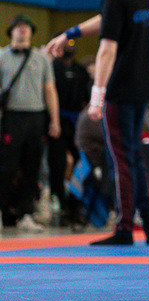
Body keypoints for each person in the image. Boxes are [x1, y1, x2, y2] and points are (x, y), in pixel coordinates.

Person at [46, 0, 149, 246]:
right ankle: (148, 224)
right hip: (141, 87)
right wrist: (69, 33)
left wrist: (96, 98)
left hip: (120, 91)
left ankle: (124, 227)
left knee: (121, 158)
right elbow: (108, 21)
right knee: (135, 156)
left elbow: (106, 51)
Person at [0, 14, 60, 232]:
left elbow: (49, 89)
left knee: (32, 168)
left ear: (32, 32)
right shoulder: (2, 56)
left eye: (26, 27)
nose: (22, 30)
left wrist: (54, 120)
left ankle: (26, 213)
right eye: (18, 27)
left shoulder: (41, 58)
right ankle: (1, 210)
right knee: (7, 167)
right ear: (11, 31)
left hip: (36, 116)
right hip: (11, 117)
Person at [49, 39, 91, 224]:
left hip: (77, 124)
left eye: (72, 44)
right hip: (56, 122)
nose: (68, 48)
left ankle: (76, 207)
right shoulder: (50, 68)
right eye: (65, 45)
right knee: (58, 164)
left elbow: (87, 98)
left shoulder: (80, 71)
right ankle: (60, 204)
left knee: (81, 164)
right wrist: (52, 121)